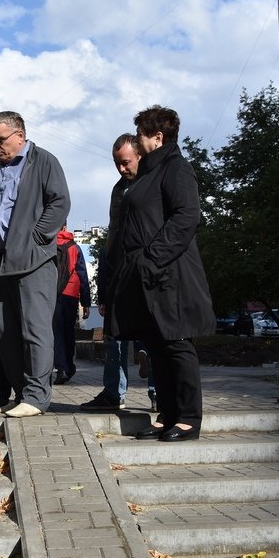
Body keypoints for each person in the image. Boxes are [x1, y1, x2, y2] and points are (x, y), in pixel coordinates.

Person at [107, 106, 214, 442]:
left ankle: (188, 419)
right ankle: (168, 414)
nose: (138, 141)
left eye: (140, 134)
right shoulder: (148, 174)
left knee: (177, 343)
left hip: (169, 275)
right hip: (146, 277)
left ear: (157, 137)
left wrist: (151, 259)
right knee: (156, 346)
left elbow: (186, 217)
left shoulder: (175, 167)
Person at [0, 111, 70, 418]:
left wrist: (34, 237)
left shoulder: (43, 161)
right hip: (0, 265)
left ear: (20, 135)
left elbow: (60, 202)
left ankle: (36, 397)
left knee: (35, 331)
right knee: (5, 335)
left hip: (34, 262)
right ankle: (22, 395)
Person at [82, 133, 156, 412]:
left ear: (140, 155)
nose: (122, 169)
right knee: (114, 336)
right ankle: (113, 393)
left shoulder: (152, 182)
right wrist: (104, 286)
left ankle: (157, 392)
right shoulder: (118, 189)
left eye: (125, 163)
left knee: (150, 334)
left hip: (145, 268)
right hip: (118, 270)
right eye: (116, 164)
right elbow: (113, 232)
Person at [52, 227, 90, 384]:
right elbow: (82, 275)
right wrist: (86, 302)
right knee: (68, 331)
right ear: (65, 228)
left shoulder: (49, 244)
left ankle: (60, 367)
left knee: (55, 331)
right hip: (70, 293)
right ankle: (69, 366)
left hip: (51, 293)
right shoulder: (75, 247)